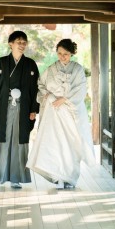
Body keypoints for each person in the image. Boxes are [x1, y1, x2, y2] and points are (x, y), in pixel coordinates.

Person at [27, 38, 96, 189]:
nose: (62, 57)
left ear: (71, 53)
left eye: (65, 54)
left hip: (71, 112)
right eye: (59, 53)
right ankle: (57, 177)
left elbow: (81, 89)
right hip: (54, 112)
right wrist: (49, 96)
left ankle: (70, 177)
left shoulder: (77, 69)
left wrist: (64, 99)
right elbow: (41, 84)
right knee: (55, 144)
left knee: (72, 144)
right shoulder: (51, 68)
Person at [0, 30, 40, 188]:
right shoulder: (1, 63)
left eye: (24, 42)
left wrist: (33, 109)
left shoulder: (30, 64)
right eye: (19, 42)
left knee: (20, 142)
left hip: (23, 108)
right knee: (3, 140)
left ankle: (17, 177)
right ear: (10, 44)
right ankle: (1, 175)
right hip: (4, 107)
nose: (22, 45)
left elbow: (35, 88)